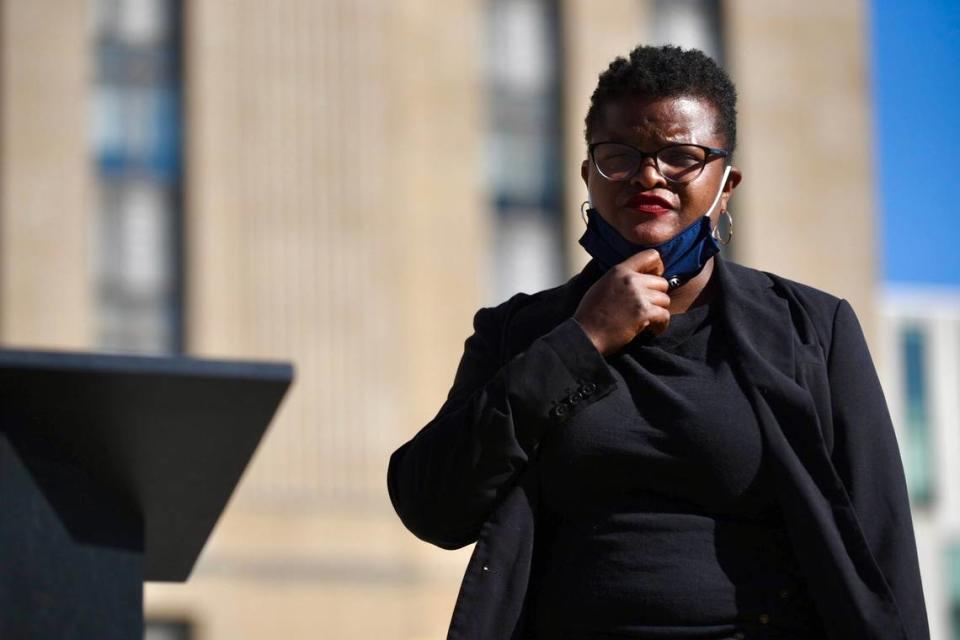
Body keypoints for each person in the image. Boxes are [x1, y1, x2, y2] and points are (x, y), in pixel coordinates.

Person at [387, 45, 929, 639]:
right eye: (620, 156)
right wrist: (581, 340)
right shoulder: (520, 332)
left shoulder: (812, 331)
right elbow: (431, 505)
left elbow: (881, 550)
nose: (650, 175)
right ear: (589, 174)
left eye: (681, 157)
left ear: (727, 185)